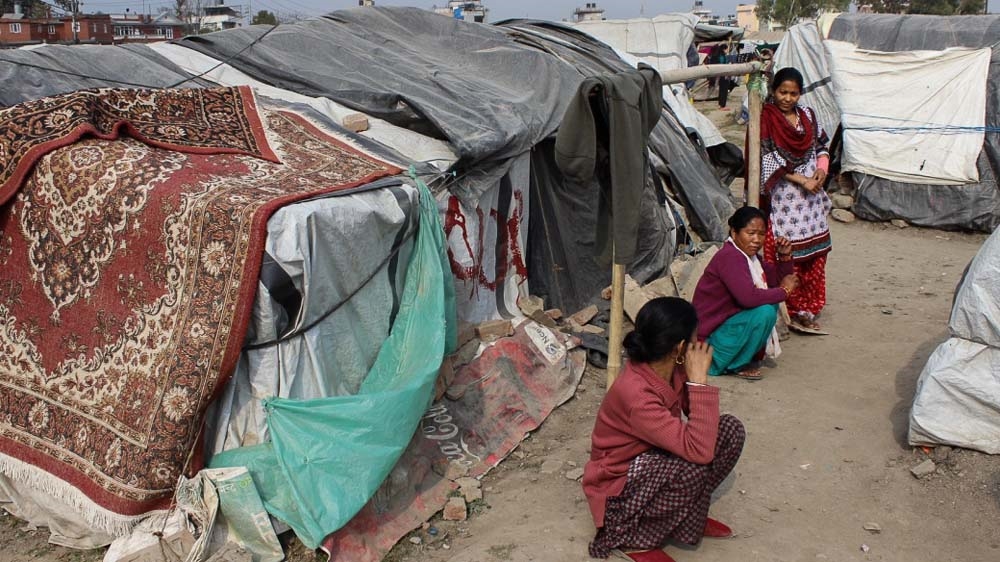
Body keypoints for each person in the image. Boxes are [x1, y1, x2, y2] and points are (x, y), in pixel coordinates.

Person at [583, 297, 746, 562]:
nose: (700, 345)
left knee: (729, 431)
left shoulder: (672, 368)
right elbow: (700, 451)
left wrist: (694, 383)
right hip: (620, 484)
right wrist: (702, 383)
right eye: (695, 339)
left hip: (653, 459)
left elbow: (699, 422)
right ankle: (633, 539)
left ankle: (686, 517)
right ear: (680, 348)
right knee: (693, 464)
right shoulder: (636, 393)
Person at [754, 66, 832, 332]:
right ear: (774, 91)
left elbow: (822, 145)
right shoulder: (766, 118)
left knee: (815, 257)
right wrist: (803, 180)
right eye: (782, 92)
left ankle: (808, 309)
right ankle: (786, 307)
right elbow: (767, 159)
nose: (787, 98)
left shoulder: (807, 116)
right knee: (787, 253)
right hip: (786, 197)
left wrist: (821, 170)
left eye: (793, 93)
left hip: (812, 204)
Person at [692, 207, 800, 380]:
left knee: (769, 303)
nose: (756, 240)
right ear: (734, 233)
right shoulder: (730, 257)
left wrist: (785, 258)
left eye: (761, 234)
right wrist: (784, 291)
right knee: (764, 311)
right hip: (707, 339)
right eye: (750, 233)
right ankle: (731, 363)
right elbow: (748, 298)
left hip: (724, 327)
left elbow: (774, 282)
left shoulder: (751, 258)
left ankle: (739, 356)